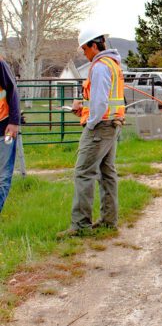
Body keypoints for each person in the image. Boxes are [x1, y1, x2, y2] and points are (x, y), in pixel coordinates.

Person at [57, 26, 125, 237]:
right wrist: (84, 107)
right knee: (107, 173)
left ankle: (80, 226)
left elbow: (100, 101)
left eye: (84, 49)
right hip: (112, 124)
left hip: (100, 127)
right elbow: (100, 99)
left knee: (84, 172)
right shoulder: (112, 64)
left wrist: (91, 122)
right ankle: (108, 221)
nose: (84, 53)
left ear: (94, 46)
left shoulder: (100, 67)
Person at [0, 56, 20, 213]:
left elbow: (12, 90)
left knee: (3, 176)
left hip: (4, 128)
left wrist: (14, 122)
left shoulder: (0, 64)